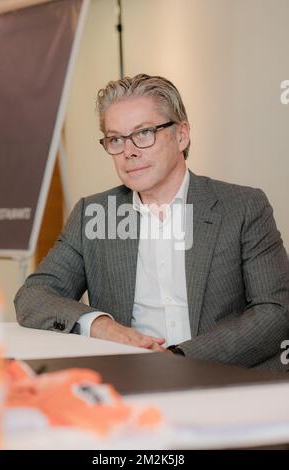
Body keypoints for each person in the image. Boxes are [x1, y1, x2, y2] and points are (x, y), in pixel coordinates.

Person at [15, 74, 289, 371]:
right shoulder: (93, 213)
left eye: (144, 133)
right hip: (130, 379)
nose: (129, 151)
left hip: (229, 378)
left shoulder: (243, 206)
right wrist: (101, 326)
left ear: (181, 135)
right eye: (116, 139)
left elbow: (276, 311)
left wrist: (178, 358)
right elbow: (33, 296)